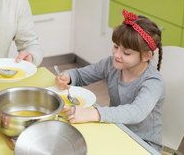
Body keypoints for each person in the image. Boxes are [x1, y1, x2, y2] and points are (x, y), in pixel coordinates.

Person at [55, 9, 165, 152]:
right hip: (115, 129)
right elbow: (82, 75)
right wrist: (68, 76)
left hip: (143, 144)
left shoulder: (153, 82)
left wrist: (94, 113)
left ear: (146, 56)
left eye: (126, 53)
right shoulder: (111, 65)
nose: (117, 55)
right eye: (116, 46)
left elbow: (136, 112)